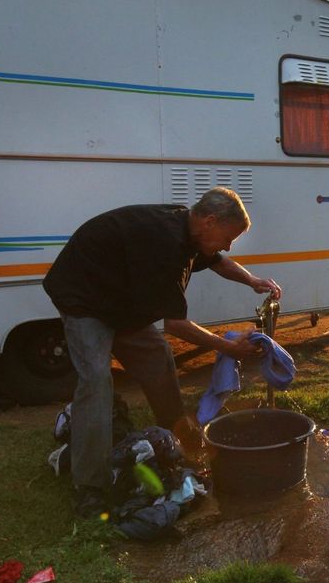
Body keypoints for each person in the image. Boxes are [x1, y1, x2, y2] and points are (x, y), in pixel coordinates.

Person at [43, 187, 281, 517]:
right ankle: (91, 487)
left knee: (158, 359)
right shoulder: (164, 245)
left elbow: (217, 261)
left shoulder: (190, 229)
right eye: (228, 237)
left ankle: (177, 441)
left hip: (121, 300)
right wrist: (228, 347)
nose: (228, 245)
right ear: (210, 221)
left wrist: (252, 280)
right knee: (97, 380)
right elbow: (176, 325)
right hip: (85, 300)